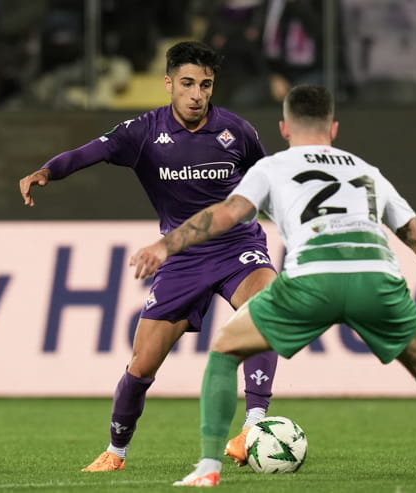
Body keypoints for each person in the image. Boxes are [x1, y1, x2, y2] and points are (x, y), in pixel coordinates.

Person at [129, 84, 416, 487]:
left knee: (226, 350)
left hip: (312, 280)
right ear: (333, 128)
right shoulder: (367, 171)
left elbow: (225, 215)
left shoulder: (272, 167)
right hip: (377, 278)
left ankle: (208, 469)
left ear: (284, 128)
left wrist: (165, 245)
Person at [18, 41, 279, 472]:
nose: (197, 94)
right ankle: (115, 453)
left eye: (206, 85)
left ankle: (255, 426)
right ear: (169, 84)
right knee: (141, 366)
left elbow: (267, 177)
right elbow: (90, 152)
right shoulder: (143, 132)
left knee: (264, 311)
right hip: (181, 259)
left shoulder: (239, 131)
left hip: (239, 247)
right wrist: (48, 170)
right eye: (188, 84)